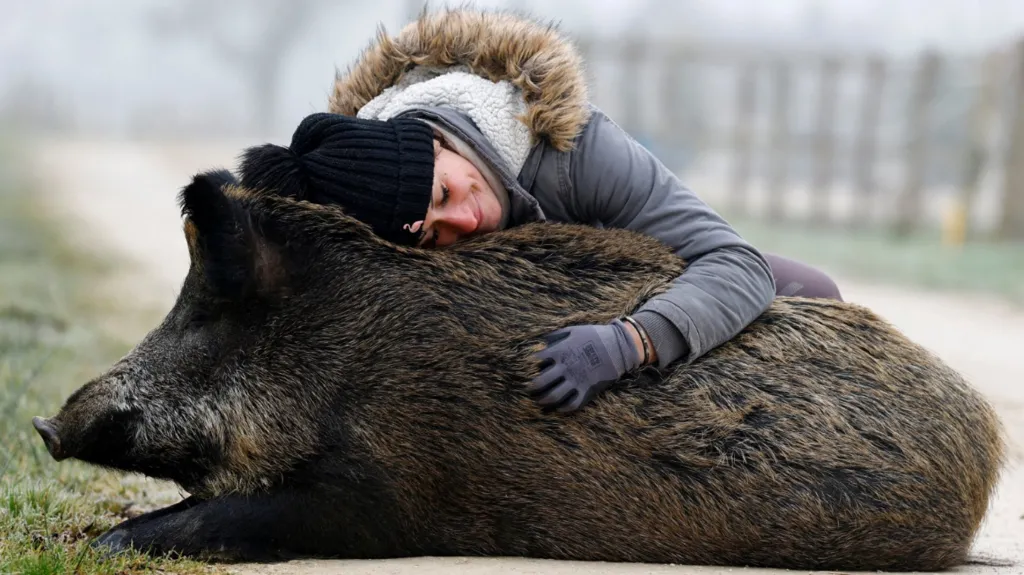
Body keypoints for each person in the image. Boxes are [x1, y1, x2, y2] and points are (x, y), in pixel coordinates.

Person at [237, 7, 842, 414]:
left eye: (447, 192)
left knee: (813, 290)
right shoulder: (372, 230)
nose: (467, 223)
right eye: (434, 233)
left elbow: (733, 263)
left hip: (638, 299)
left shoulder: (576, 149)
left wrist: (629, 343)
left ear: (437, 140)